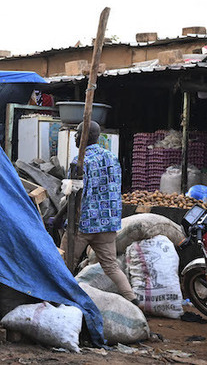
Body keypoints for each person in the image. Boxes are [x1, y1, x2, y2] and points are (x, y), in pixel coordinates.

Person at [63, 121, 138, 305]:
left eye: (77, 133)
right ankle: (132, 299)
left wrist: (58, 220)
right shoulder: (111, 157)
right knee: (111, 266)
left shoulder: (79, 162)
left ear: (84, 137)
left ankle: (60, 300)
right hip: (107, 223)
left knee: (64, 264)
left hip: (83, 224)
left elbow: (73, 197)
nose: (75, 136)